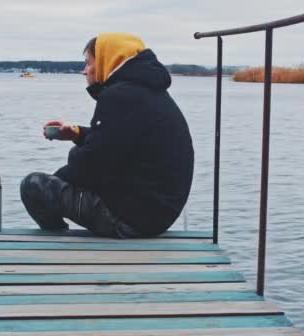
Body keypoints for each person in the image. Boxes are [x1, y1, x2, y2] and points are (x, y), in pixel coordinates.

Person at [20, 32, 194, 238]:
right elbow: (118, 141)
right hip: (155, 216)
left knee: (33, 186)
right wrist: (78, 133)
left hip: (130, 221)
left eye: (88, 63)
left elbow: (88, 166)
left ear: (106, 61)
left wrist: (58, 178)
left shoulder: (119, 96)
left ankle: (57, 242)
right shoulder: (145, 92)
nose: (85, 71)